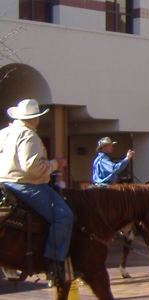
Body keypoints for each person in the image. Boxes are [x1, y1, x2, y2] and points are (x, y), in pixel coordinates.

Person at [0, 99, 73, 281]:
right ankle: (54, 265)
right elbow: (30, 168)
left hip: (4, 184)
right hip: (26, 185)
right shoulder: (29, 135)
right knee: (64, 216)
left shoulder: (5, 132)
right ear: (35, 119)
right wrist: (56, 164)